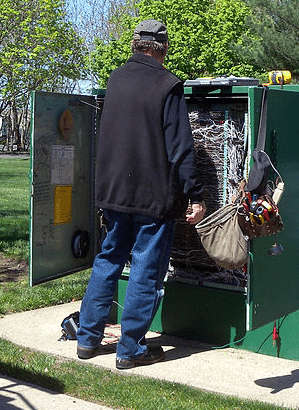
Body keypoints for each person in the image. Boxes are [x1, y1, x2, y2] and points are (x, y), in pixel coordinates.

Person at [76, 19, 206, 369]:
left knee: (107, 261)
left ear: (135, 45)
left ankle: (87, 339)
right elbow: (181, 148)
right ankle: (130, 348)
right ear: (163, 48)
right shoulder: (168, 84)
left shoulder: (115, 80)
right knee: (146, 271)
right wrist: (196, 195)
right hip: (153, 199)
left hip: (114, 195)